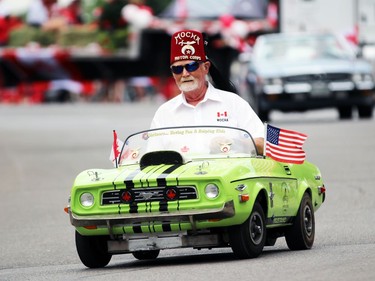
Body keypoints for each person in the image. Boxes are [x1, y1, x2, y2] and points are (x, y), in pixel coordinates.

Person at [150, 29, 265, 155]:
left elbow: (264, 143)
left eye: (191, 66)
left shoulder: (234, 103)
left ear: (205, 67)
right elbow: (152, 157)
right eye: (177, 69)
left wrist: (234, 143)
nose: (185, 74)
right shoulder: (164, 113)